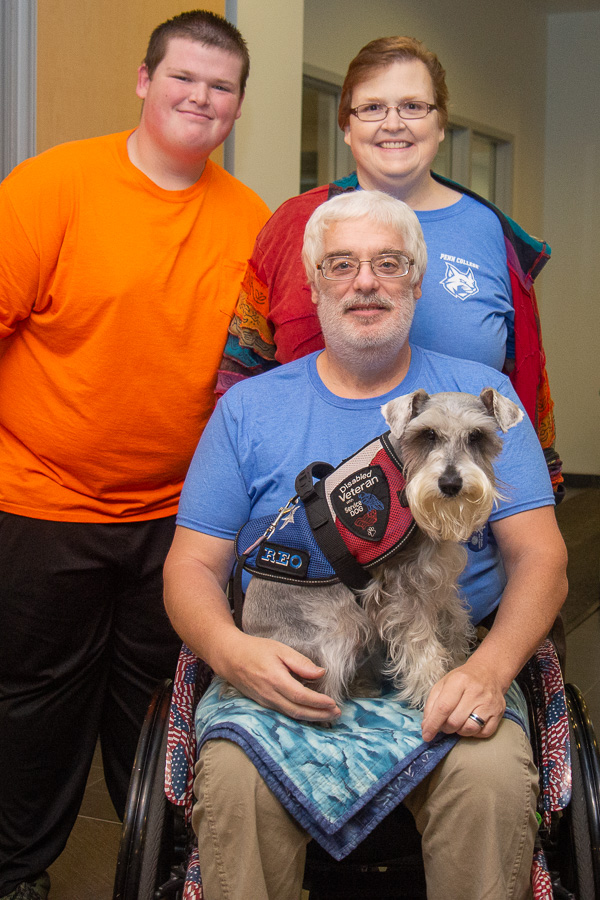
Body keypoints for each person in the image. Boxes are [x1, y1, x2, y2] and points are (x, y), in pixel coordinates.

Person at [163, 190, 568, 900]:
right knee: (234, 780)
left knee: (493, 778)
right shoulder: (248, 409)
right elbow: (191, 566)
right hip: (288, 661)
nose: (366, 282)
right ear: (313, 282)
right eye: (342, 264)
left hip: (452, 660)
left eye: (389, 263)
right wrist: (230, 652)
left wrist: (492, 669)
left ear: (418, 279)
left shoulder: (482, 394)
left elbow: (543, 560)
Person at [0, 10, 269, 900]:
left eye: (221, 86)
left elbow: (259, 373)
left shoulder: (250, 221)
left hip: (181, 517)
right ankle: (16, 873)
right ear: (145, 80)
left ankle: (160, 874)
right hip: (40, 500)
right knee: (32, 704)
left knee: (163, 706)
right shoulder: (52, 186)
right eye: (183, 77)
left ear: (237, 106)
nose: (200, 97)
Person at [218, 35, 563, 498]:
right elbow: (242, 370)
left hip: (460, 510)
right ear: (346, 126)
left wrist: (539, 494)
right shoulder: (295, 226)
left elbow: (523, 391)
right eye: (372, 108)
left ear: (440, 124)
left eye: (414, 107)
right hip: (307, 504)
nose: (393, 123)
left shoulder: (491, 235)